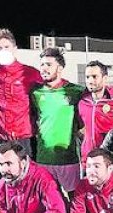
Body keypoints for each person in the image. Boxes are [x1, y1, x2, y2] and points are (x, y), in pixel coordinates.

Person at [0, 28, 43, 182]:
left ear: (14, 48)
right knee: (3, 185)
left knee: (28, 182)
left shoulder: (31, 73)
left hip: (24, 139)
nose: (3, 51)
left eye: (6, 47)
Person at [32, 47, 85, 193]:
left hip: (68, 159)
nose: (43, 68)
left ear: (60, 68)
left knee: (75, 199)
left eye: (49, 64)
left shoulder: (76, 91)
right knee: (49, 201)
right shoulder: (35, 92)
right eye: (42, 64)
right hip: (43, 158)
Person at [77, 60, 113, 162]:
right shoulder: (81, 101)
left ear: (105, 79)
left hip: (111, 159)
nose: (90, 80)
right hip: (88, 159)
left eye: (94, 77)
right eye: (87, 77)